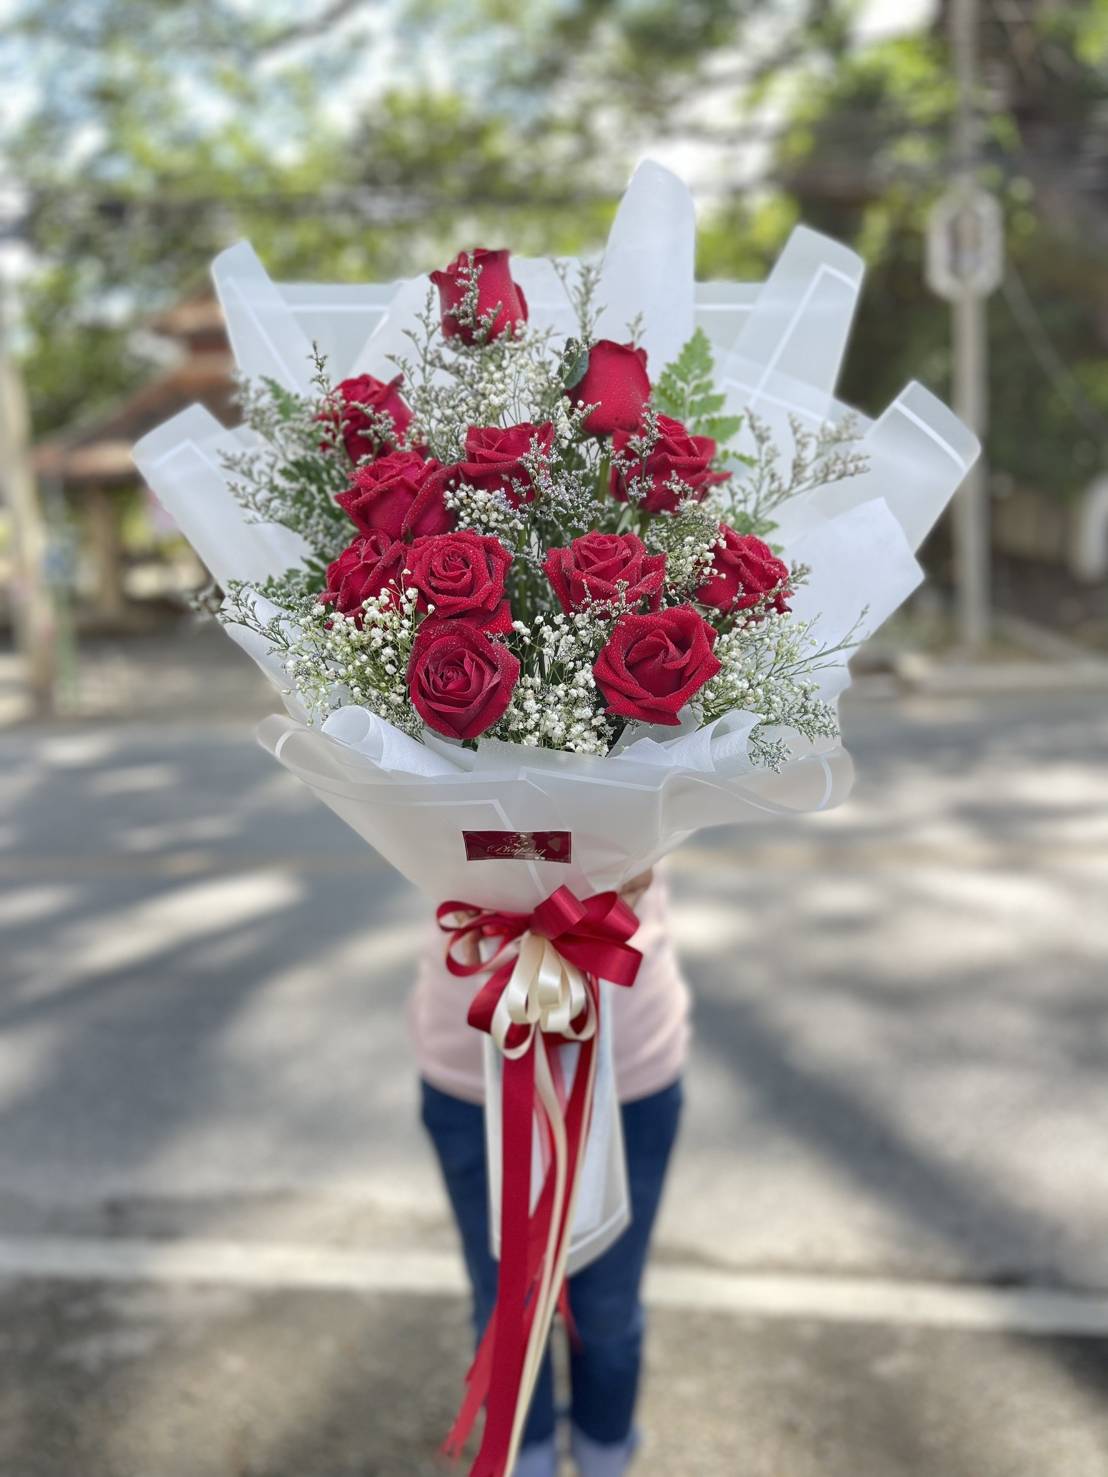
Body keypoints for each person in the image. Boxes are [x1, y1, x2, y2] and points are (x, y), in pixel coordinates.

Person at [412, 870, 689, 1477]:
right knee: (505, 1303)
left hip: (629, 1066)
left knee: (609, 1310)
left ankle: (605, 1455)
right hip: (470, 1066)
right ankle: (526, 1459)